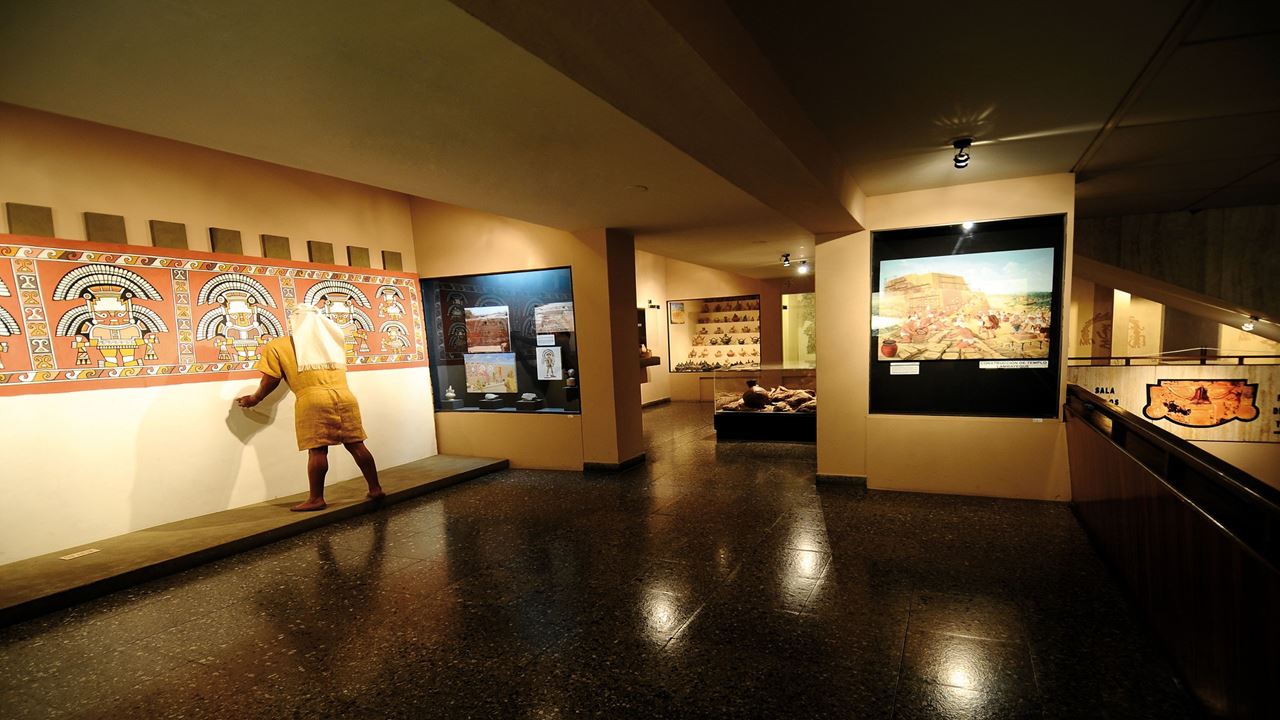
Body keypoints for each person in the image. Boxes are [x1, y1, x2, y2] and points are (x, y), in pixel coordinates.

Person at [237, 303, 383, 512]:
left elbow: (271, 380)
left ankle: (316, 498)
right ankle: (375, 488)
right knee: (356, 445)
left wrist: (255, 398)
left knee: (317, 450)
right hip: (345, 396)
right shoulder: (333, 342)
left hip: (312, 399)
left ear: (294, 322)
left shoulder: (279, 346)